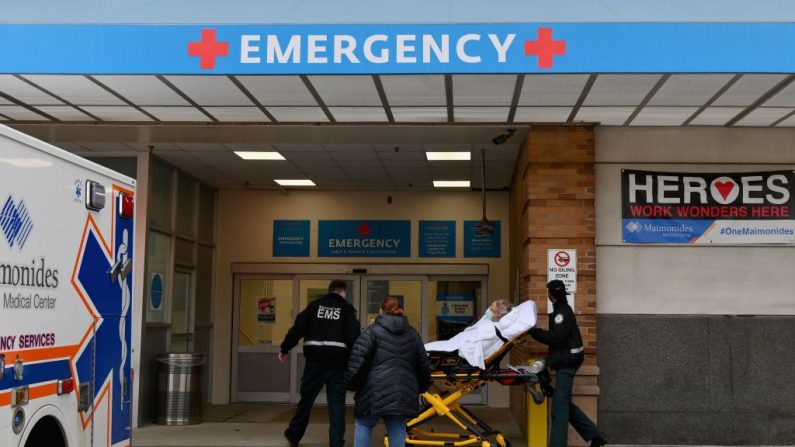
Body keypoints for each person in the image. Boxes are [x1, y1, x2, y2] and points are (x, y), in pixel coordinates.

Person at [279, 279, 360, 447]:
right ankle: (336, 442)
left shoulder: (314, 306)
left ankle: (294, 435)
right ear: (343, 293)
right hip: (338, 363)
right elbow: (354, 336)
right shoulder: (346, 309)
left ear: (329, 290)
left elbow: (298, 328)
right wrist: (357, 361)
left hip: (314, 362)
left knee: (306, 400)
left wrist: (285, 348)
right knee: (336, 404)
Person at [528, 280, 607, 447]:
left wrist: (533, 332)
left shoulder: (561, 313)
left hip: (567, 363)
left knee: (559, 409)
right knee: (563, 403)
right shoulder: (562, 310)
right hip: (566, 360)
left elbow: (556, 338)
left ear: (551, 295)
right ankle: (595, 436)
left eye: (548, 292)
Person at [345, 297, 431, 447]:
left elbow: (357, 362)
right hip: (402, 392)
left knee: (364, 424)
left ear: (381, 311)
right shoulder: (413, 334)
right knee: (397, 427)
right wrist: (422, 387)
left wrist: (352, 384)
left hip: (373, 392)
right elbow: (423, 364)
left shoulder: (371, 332)